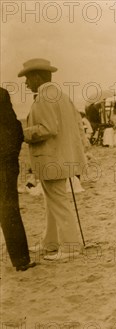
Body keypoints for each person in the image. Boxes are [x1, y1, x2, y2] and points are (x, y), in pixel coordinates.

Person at [18, 58, 87, 260]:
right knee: (53, 201)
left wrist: (23, 133)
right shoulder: (62, 96)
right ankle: (50, 242)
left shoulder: (43, 98)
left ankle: (71, 247)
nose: (26, 84)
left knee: (58, 202)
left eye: (27, 79)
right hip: (64, 157)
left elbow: (48, 129)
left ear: (37, 77)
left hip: (51, 159)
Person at [0, 87, 37, 271]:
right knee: (8, 208)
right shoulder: (1, 94)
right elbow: (14, 129)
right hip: (3, 164)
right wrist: (10, 156)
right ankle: (20, 260)